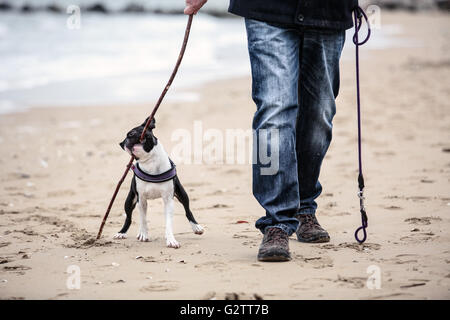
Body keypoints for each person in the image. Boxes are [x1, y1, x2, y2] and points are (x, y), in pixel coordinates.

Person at [185, 0, 358, 262]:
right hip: (266, 8)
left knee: (319, 115)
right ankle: (277, 221)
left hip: (329, 12)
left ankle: (303, 206)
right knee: (274, 111)